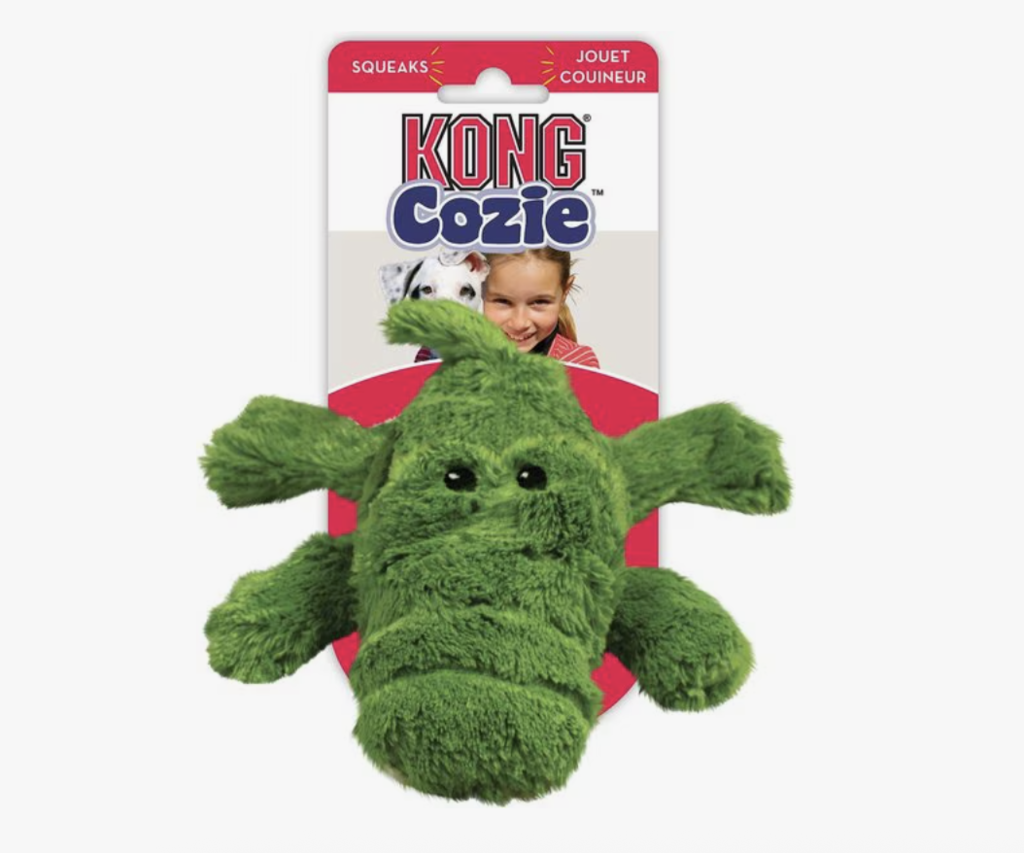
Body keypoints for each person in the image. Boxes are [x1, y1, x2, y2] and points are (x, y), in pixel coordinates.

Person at [481, 248, 600, 368]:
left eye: (539, 302)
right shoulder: (469, 358)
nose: (519, 324)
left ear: (565, 291)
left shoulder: (578, 364)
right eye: (503, 301)